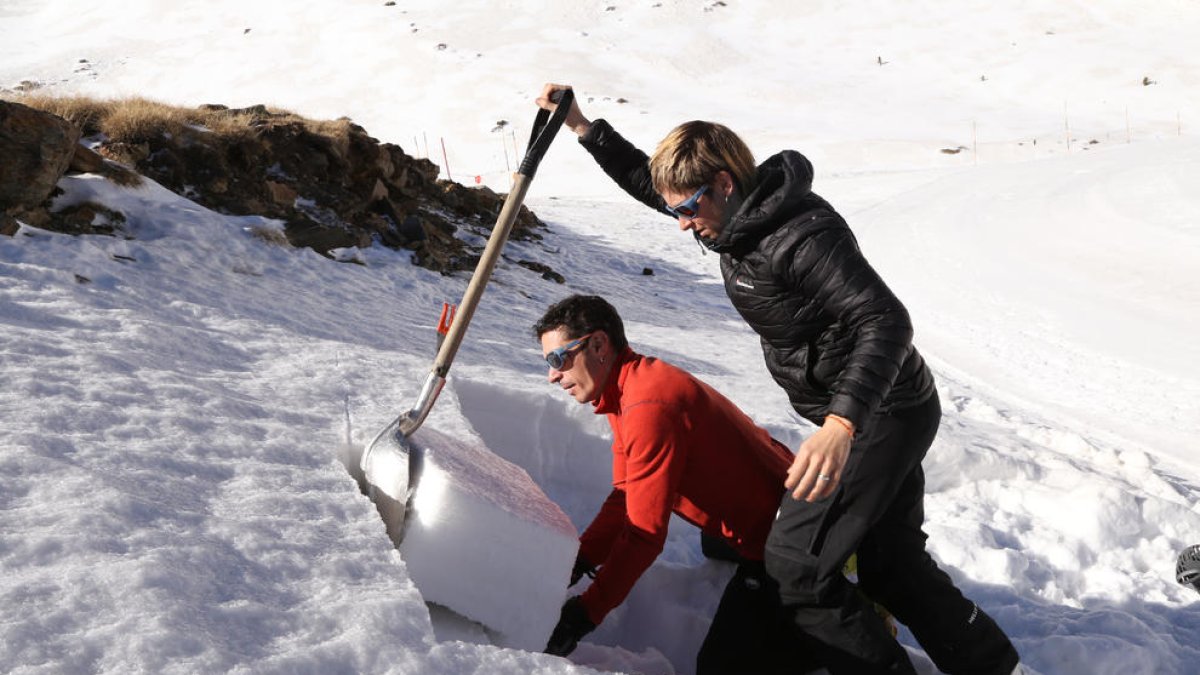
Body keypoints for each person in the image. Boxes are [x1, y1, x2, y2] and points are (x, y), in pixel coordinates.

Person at [535, 83, 1021, 675]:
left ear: (725, 184)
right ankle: (996, 667)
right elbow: (648, 182)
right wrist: (583, 126)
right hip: (859, 410)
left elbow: (886, 319)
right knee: (890, 565)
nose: (682, 224)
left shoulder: (800, 235)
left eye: (689, 208)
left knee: (795, 563)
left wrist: (841, 424)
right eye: (676, 210)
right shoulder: (727, 221)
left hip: (882, 409)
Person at [535, 294, 818, 674]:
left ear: (599, 345)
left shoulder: (648, 408)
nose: (552, 375)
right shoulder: (630, 387)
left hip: (787, 537)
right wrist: (577, 562)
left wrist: (582, 616)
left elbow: (644, 536)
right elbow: (625, 497)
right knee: (712, 542)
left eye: (558, 359)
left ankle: (817, 621)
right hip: (780, 508)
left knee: (719, 667)